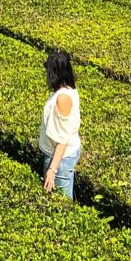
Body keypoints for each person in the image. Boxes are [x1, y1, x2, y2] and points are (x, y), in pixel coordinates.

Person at [38, 49, 81, 199]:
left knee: (61, 202)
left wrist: (52, 169)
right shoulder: (69, 88)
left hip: (61, 159)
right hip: (62, 155)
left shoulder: (62, 98)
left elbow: (62, 139)